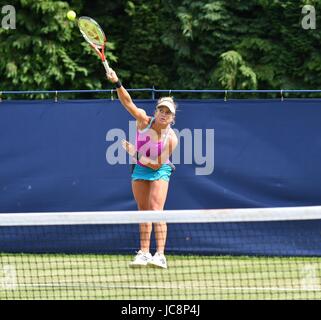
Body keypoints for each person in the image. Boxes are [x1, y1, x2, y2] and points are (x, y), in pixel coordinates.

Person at [107, 69, 178, 269]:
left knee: (156, 210)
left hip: (159, 169)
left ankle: (160, 255)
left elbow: (156, 164)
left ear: (172, 118)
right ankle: (144, 253)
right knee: (143, 211)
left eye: (168, 113)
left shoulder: (171, 138)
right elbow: (127, 102)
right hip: (140, 169)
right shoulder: (143, 121)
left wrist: (134, 153)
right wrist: (117, 82)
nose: (164, 115)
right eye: (161, 111)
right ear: (155, 112)